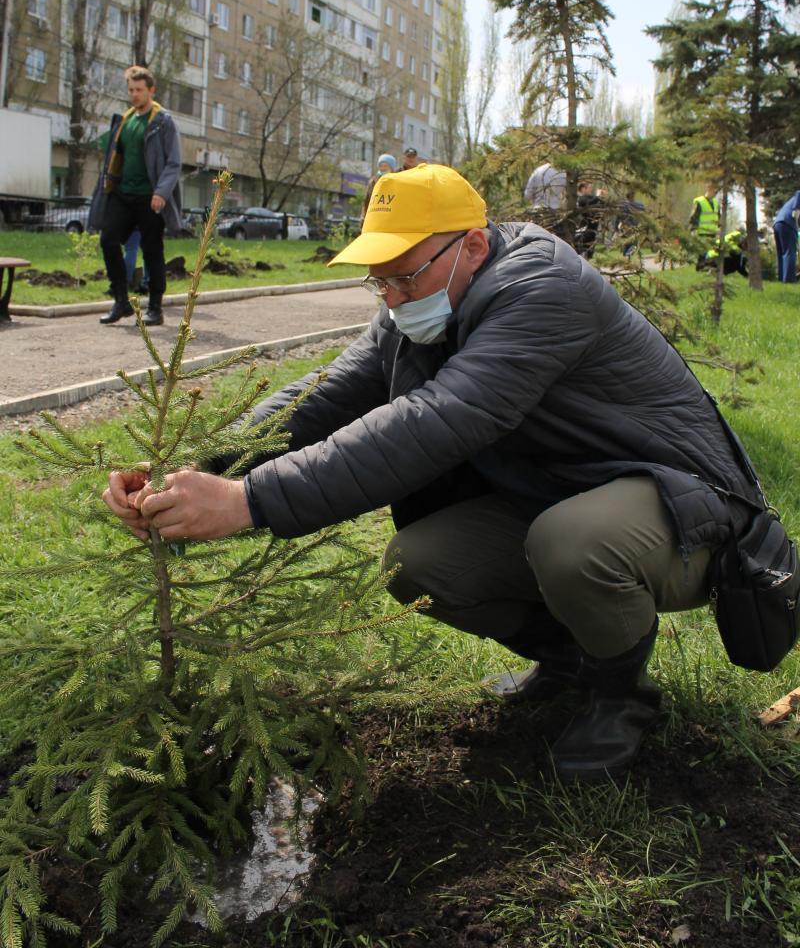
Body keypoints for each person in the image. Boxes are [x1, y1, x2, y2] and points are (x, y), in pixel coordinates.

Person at [104, 164, 771, 783]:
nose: (392, 298)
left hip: (684, 510)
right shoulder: (427, 301)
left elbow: (439, 418)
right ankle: (573, 657)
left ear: (473, 248)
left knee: (570, 544)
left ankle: (621, 693)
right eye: (380, 281)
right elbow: (326, 395)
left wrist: (249, 500)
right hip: (566, 493)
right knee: (417, 563)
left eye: (405, 277)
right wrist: (201, 463)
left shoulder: (543, 289)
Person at [89, 65, 183, 326]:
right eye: (131, 90)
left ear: (151, 90)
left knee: (152, 250)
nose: (134, 94)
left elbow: (174, 162)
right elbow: (113, 156)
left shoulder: (163, 121)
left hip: (150, 196)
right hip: (122, 193)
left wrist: (161, 192)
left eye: (139, 90)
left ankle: (155, 307)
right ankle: (121, 301)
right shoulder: (125, 119)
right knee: (108, 240)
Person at [688, 182, 719, 271]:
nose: (715, 193)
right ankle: (700, 268)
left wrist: (718, 228)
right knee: (702, 252)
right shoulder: (700, 202)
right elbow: (694, 216)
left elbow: (718, 217)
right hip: (702, 232)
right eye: (714, 191)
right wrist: (693, 229)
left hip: (712, 232)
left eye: (716, 192)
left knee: (710, 252)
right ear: (709, 190)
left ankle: (706, 268)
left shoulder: (716, 203)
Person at [772, 189, 800, 283]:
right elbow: (796, 212)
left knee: (782, 253)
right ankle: (789, 280)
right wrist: (796, 228)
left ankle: (782, 278)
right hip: (787, 223)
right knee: (790, 252)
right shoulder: (799, 194)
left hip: (778, 223)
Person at [361, 153, 398, 219]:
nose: (383, 168)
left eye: (386, 166)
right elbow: (367, 200)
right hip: (375, 216)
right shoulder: (373, 181)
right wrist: (363, 216)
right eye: (381, 166)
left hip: (390, 217)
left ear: (392, 168)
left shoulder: (397, 181)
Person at [574, 181, 604, 258]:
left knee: (590, 250)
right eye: (589, 187)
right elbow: (589, 203)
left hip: (593, 228)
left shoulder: (591, 198)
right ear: (583, 189)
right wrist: (597, 196)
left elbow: (600, 204)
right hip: (585, 229)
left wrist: (601, 197)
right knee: (582, 248)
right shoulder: (580, 199)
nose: (591, 189)